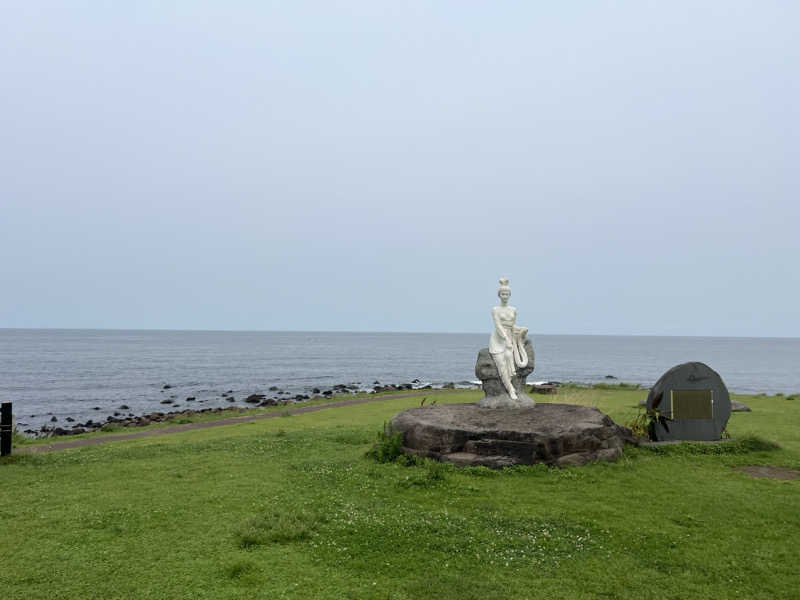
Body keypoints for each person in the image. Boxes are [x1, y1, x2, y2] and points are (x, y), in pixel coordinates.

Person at [489, 278, 529, 400]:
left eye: (507, 294)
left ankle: (511, 385)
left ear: (510, 295)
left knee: (509, 357)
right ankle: (510, 389)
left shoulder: (513, 310)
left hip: (510, 336)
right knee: (501, 363)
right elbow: (498, 326)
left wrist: (521, 329)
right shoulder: (495, 309)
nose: (505, 296)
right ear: (499, 295)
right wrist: (506, 340)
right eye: (502, 294)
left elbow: (511, 326)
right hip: (498, 338)